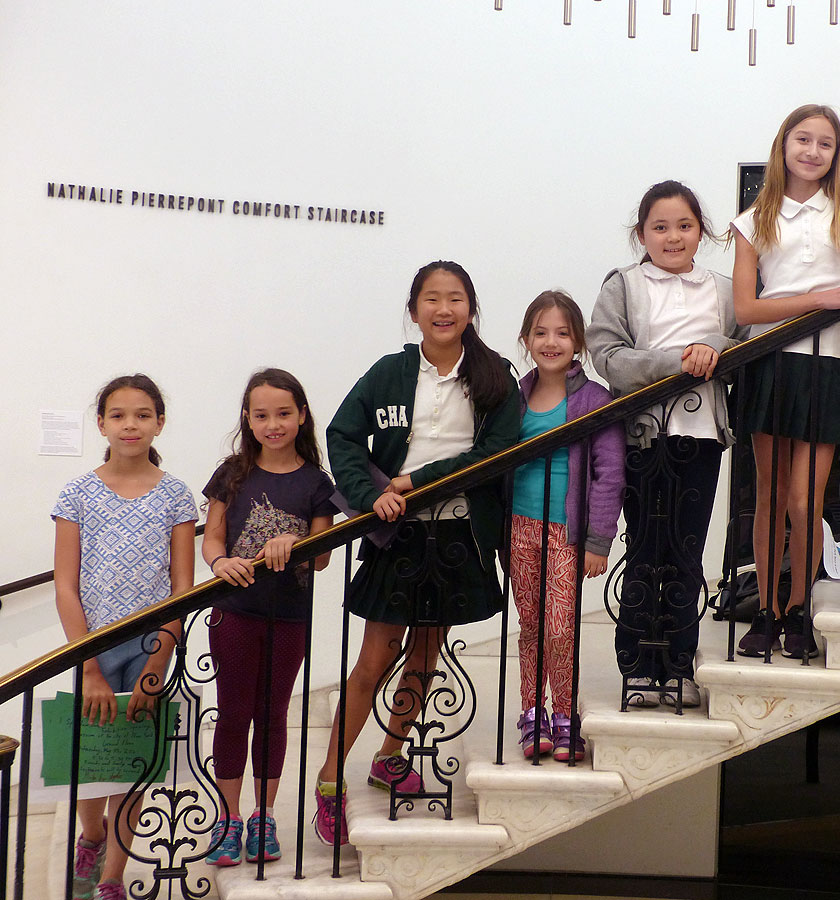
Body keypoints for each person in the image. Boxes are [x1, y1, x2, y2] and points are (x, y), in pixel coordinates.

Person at [313, 260, 520, 845]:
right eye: (432, 299)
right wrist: (372, 492)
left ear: (470, 309)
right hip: (396, 534)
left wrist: (421, 480)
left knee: (425, 656)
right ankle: (330, 782)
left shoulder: (494, 376)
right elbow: (342, 436)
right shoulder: (389, 372)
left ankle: (389, 757)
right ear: (414, 311)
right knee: (374, 659)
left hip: (459, 534)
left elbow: (498, 451)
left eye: (455, 298)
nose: (444, 309)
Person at [731, 104, 840, 659]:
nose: (812, 151)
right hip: (771, 362)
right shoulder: (752, 218)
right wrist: (819, 300)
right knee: (768, 494)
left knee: (805, 500)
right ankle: (765, 608)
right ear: (783, 145)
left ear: (836, 154)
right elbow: (745, 308)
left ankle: (799, 608)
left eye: (825, 143)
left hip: (826, 364)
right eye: (802, 139)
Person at [588, 179, 747, 710]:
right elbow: (607, 356)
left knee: (687, 553)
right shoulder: (624, 285)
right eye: (660, 227)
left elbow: (747, 342)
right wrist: (678, 361)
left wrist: (714, 348)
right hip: (640, 437)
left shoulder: (725, 289)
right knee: (644, 551)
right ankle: (636, 666)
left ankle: (679, 665)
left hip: (701, 438)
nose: (673, 236)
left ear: (701, 230)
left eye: (684, 225)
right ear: (642, 234)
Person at [52, 374, 197, 900]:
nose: (130, 425)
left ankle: (112, 876)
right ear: (101, 424)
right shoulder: (77, 493)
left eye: (142, 415)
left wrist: (159, 662)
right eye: (118, 415)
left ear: (159, 422)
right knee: (94, 756)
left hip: (152, 644)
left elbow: (182, 588)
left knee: (133, 761)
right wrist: (87, 663)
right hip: (91, 644)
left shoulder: (177, 495)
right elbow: (66, 586)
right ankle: (90, 835)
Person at [200, 368, 337, 866]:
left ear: (302, 416)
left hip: (289, 619)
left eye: (283, 413)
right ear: (248, 419)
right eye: (261, 415)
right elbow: (212, 537)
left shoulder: (317, 483)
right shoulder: (231, 473)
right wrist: (220, 562)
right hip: (234, 614)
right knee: (233, 713)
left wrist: (296, 542)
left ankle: (265, 816)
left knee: (273, 714)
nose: (273, 424)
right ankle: (229, 817)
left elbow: (321, 557)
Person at [511, 291, 624, 760]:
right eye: (540, 332)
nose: (550, 341)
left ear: (578, 341)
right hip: (519, 527)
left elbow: (610, 473)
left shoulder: (595, 399)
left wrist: (599, 541)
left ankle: (564, 715)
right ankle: (531, 713)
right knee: (531, 624)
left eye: (561, 332)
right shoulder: (516, 396)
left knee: (561, 627)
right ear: (526, 339)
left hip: (568, 532)